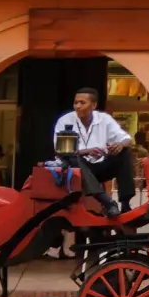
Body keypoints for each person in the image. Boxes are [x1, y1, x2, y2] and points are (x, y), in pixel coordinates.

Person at [52, 88, 136, 217]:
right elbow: (60, 151)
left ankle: (125, 204)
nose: (78, 106)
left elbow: (126, 139)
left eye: (82, 103)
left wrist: (119, 145)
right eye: (76, 103)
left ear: (94, 105)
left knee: (125, 152)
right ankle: (107, 202)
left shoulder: (104, 119)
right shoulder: (65, 121)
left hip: (101, 166)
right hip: (79, 169)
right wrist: (87, 151)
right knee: (72, 158)